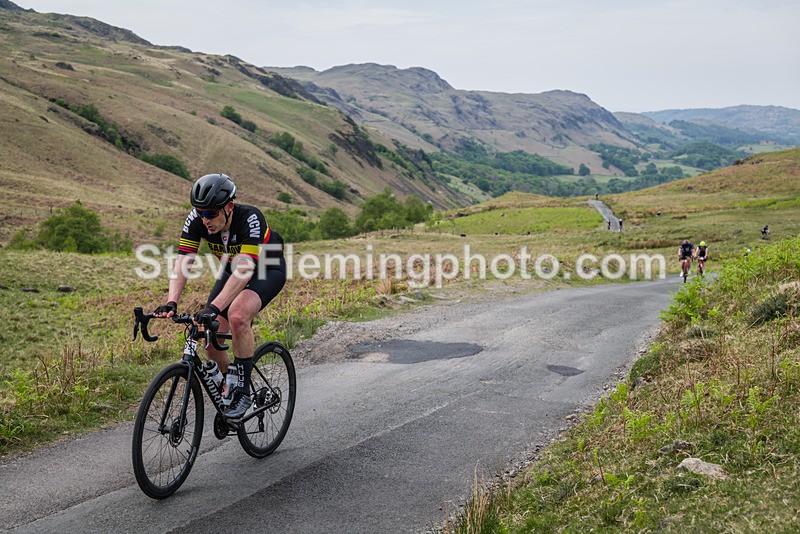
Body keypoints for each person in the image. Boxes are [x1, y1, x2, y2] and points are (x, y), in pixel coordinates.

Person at [154, 173, 286, 421]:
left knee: (237, 315)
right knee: (209, 330)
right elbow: (183, 262)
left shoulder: (251, 218)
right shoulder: (197, 220)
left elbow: (245, 270)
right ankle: (230, 387)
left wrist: (214, 307)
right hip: (232, 270)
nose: (205, 220)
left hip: (266, 269)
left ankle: (243, 393)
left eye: (211, 213)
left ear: (229, 207)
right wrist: (172, 301)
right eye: (200, 213)